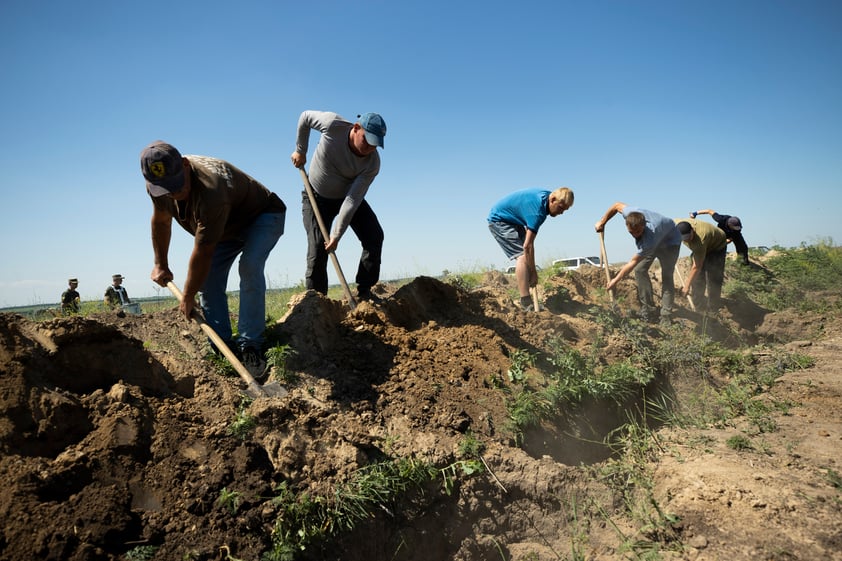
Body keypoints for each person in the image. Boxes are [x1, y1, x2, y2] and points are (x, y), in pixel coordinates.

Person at [141, 141, 287, 380]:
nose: (174, 194)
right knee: (208, 279)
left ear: (186, 166)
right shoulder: (159, 187)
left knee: (249, 266)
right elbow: (161, 221)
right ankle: (222, 345)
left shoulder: (211, 190)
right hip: (226, 227)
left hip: (261, 215)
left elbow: (204, 250)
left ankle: (251, 345)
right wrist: (160, 263)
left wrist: (188, 296)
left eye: (177, 186)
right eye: (166, 189)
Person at [290, 111, 386, 302]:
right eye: (367, 141)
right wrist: (301, 150)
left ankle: (365, 291)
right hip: (316, 197)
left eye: (375, 145)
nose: (370, 148)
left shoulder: (372, 163)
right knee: (318, 247)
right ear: (356, 128)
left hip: (346, 198)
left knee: (374, 236)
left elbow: (352, 199)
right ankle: (316, 301)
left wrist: (336, 234)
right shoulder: (333, 125)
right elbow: (305, 117)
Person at [488, 187, 574, 311]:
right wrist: (533, 272)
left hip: (514, 219)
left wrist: (532, 266)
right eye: (560, 208)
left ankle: (530, 300)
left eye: (565, 210)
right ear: (553, 199)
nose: (561, 213)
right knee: (522, 257)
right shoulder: (537, 213)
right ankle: (526, 302)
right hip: (500, 220)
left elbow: (530, 245)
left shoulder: (547, 197)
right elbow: (528, 246)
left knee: (526, 255)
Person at [595, 203, 681, 324]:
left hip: (671, 241)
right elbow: (616, 206)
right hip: (657, 237)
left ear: (644, 225)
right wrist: (603, 222)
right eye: (632, 232)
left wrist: (615, 280)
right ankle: (649, 309)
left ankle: (665, 314)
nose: (635, 234)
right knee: (640, 270)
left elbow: (632, 262)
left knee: (667, 276)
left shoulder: (649, 239)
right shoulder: (630, 213)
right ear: (627, 224)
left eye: (638, 231)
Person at [674, 218, 728, 312]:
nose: (686, 240)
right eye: (683, 239)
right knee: (698, 278)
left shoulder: (700, 239)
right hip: (701, 247)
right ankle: (698, 307)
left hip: (717, 246)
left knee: (713, 278)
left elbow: (697, 267)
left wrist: (686, 286)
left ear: (693, 230)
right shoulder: (673, 225)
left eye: (688, 237)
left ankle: (713, 309)